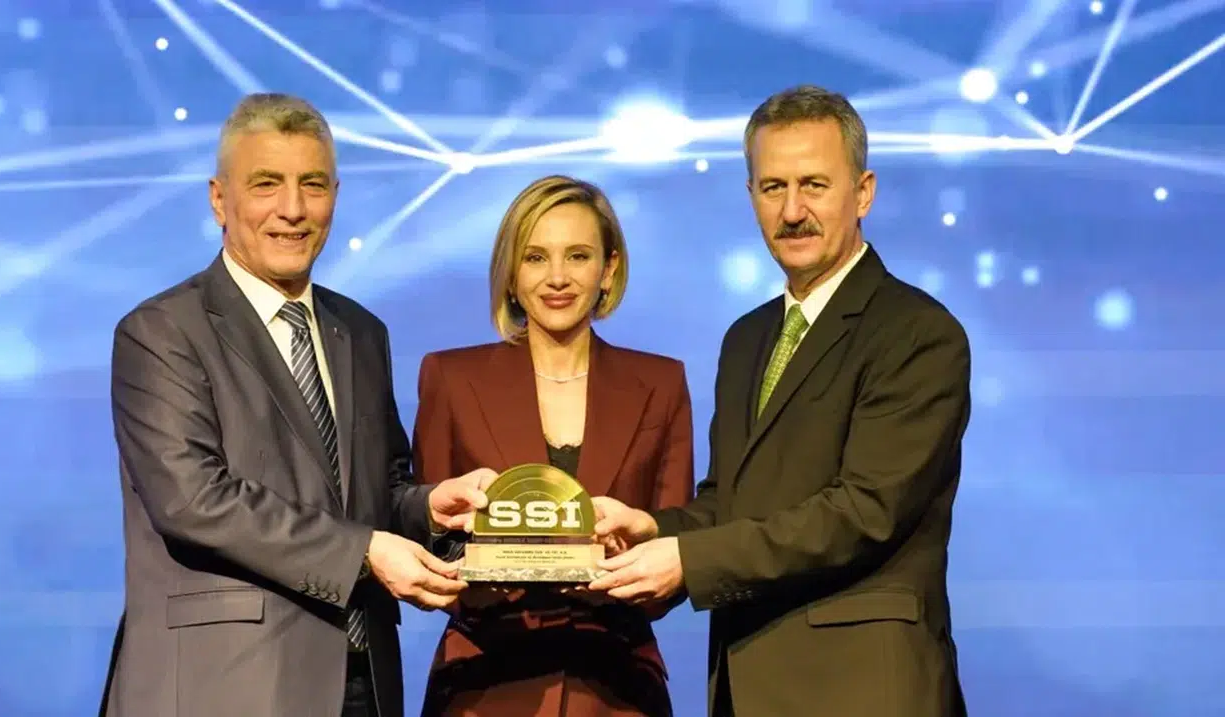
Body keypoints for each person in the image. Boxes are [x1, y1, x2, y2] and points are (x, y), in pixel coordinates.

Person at [99, 92, 493, 717]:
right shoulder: (161, 332)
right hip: (226, 687)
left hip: (363, 680)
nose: (293, 209)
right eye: (266, 184)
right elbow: (194, 500)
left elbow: (375, 494)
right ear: (219, 199)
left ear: (335, 194)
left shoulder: (361, 332)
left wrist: (429, 509)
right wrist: (364, 552)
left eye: (313, 184)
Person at [588, 85, 972, 717]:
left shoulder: (918, 333)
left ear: (864, 192)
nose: (792, 211)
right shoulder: (746, 339)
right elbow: (732, 502)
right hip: (748, 686)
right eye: (773, 188)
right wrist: (654, 530)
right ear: (751, 196)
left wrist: (687, 560)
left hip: (864, 692)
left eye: (814, 185)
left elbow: (864, 513)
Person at [410, 174, 695, 717]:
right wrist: (473, 575)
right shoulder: (450, 377)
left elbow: (675, 542)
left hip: (617, 686)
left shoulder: (661, 383)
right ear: (511, 275)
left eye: (578, 256)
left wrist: (628, 567)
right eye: (536, 257)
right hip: (484, 685)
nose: (557, 277)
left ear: (608, 269)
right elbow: (428, 533)